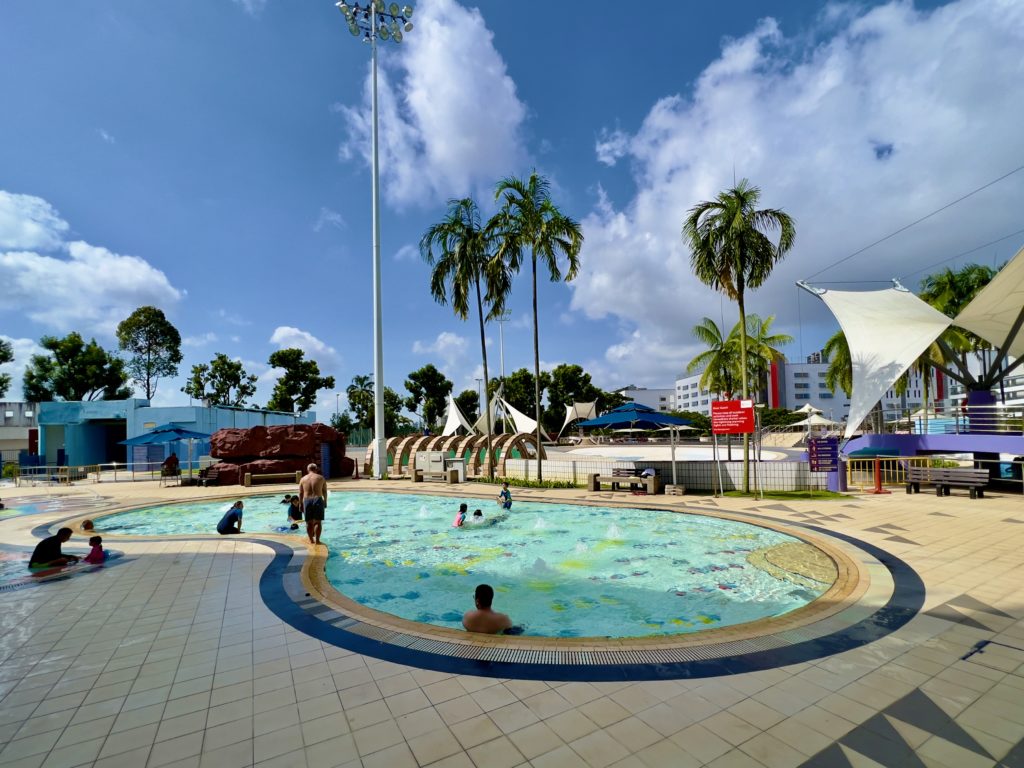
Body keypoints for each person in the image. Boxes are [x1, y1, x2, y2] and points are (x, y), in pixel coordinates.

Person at [299, 463, 328, 545]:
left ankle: (311, 540)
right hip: (317, 499)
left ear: (308, 470)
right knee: (318, 522)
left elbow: (301, 493)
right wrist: (325, 501)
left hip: (307, 500)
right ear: (316, 469)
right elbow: (324, 491)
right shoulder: (321, 478)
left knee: (309, 522)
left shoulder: (303, 479)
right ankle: (317, 541)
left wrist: (300, 504)